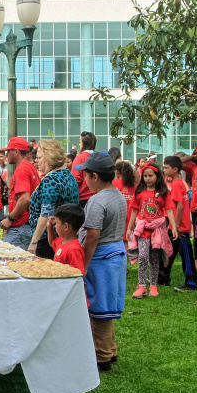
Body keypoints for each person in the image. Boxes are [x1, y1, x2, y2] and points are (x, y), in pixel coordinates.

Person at [75, 152, 128, 373]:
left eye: (85, 175)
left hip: (101, 256)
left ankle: (102, 356)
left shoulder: (97, 201)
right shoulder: (118, 195)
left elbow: (93, 236)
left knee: (100, 309)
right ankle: (110, 350)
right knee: (108, 305)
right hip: (116, 252)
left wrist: (84, 264)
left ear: (94, 176)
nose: (84, 179)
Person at [125, 164, 178, 298]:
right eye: (145, 176)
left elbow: (170, 209)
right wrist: (130, 227)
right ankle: (142, 285)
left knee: (154, 258)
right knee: (143, 256)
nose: (148, 179)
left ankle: (153, 285)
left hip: (157, 230)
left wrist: (173, 226)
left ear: (157, 176)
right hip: (143, 229)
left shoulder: (163, 192)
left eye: (151, 176)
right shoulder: (139, 191)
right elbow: (134, 210)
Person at [27, 139, 79, 259]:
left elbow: (46, 214)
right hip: (67, 237)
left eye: (39, 158)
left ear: (49, 158)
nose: (36, 161)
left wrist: (34, 242)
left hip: (47, 240)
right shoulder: (68, 176)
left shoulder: (50, 180)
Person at [160, 156, 197, 291]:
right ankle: (162, 278)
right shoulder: (180, 182)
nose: (164, 170)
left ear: (175, 169)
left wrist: (175, 226)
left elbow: (180, 206)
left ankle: (192, 282)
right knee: (169, 252)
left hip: (180, 227)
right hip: (177, 226)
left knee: (186, 255)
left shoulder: (177, 184)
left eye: (166, 168)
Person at [0, 137, 41, 249]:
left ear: (16, 152)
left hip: (20, 227)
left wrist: (10, 218)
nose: (7, 154)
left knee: (10, 263)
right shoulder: (30, 167)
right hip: (26, 225)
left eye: (9, 151)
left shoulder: (22, 169)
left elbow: (25, 199)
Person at [48, 203, 87, 273]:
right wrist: (49, 227)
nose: (55, 226)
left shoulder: (74, 249)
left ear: (66, 226)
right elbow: (52, 242)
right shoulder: (62, 241)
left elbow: (78, 272)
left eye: (56, 223)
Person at [70, 132, 97, 209]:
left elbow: (76, 180)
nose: (79, 144)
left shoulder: (80, 158)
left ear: (84, 144)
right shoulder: (98, 157)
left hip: (83, 198)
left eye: (80, 142)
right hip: (98, 196)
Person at [113, 161, 137, 236]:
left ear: (117, 172)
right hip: (132, 219)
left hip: (118, 218)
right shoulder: (134, 185)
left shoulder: (113, 183)